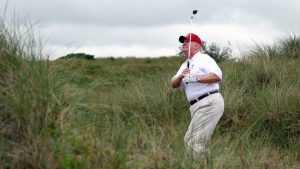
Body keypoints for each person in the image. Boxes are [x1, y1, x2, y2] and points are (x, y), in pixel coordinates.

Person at [171, 33, 224, 157]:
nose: (183, 43)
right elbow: (173, 84)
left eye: (187, 41)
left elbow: (217, 76)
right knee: (191, 141)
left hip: (209, 102)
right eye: (183, 42)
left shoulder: (203, 58)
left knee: (194, 142)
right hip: (197, 106)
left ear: (196, 45)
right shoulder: (185, 64)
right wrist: (181, 76)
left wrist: (195, 78)